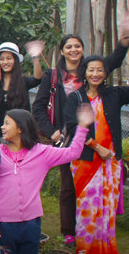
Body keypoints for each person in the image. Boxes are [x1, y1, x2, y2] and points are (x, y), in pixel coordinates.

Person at [32, 30, 128, 244]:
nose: (73, 50)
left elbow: (114, 60)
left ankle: (100, 232)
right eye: (69, 46)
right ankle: (70, 232)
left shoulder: (95, 71)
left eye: (77, 46)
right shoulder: (54, 76)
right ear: (62, 51)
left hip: (101, 143)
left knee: (101, 191)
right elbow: (38, 107)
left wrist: (124, 41)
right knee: (69, 187)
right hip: (67, 138)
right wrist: (51, 131)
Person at [0, 109, 92, 253]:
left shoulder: (42, 153)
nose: (2, 127)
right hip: (5, 225)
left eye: (7, 123)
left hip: (32, 224)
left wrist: (82, 127)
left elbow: (73, 152)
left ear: (20, 128)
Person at [63, 55, 129, 253]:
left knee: (108, 209)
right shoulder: (76, 98)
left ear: (105, 73)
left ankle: (106, 249)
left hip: (110, 162)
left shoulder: (113, 94)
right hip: (85, 162)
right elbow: (72, 127)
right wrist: (97, 147)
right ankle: (86, 249)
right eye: (91, 70)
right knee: (88, 209)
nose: (95, 74)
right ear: (84, 72)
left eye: (100, 70)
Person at [0, 41, 44, 128]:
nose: (5, 62)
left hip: (20, 129)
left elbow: (37, 79)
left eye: (9, 58)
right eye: (2, 59)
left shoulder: (23, 81)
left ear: (15, 60)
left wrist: (35, 57)